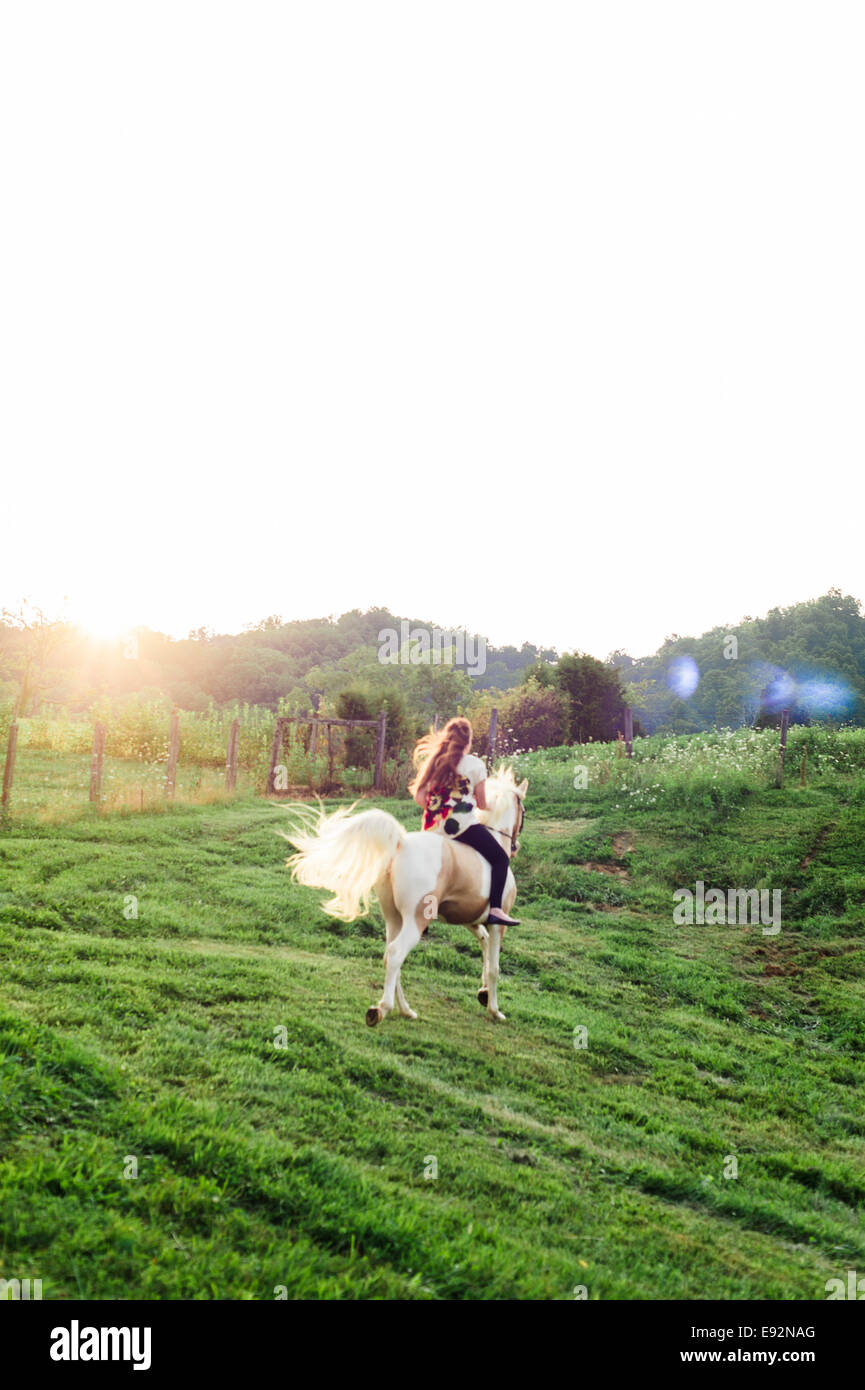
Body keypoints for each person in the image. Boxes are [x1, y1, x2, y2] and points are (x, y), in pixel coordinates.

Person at [408, 716, 519, 926]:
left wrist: (438, 810)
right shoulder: (475, 765)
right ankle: (495, 909)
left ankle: (427, 912)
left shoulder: (433, 761)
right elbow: (482, 803)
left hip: (431, 828)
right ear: (468, 742)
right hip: (462, 827)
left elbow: (419, 797)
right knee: (500, 859)